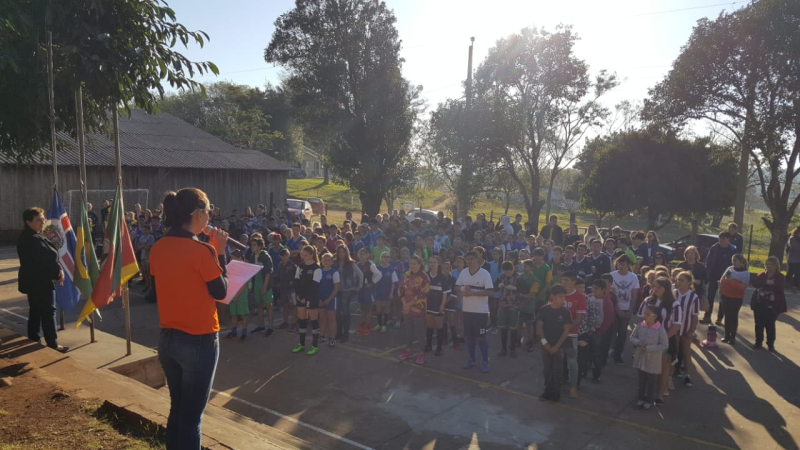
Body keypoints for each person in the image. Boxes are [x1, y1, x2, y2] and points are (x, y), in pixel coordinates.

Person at [149, 188, 229, 449]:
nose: (210, 216)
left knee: (178, 410)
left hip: (168, 337)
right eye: (208, 211)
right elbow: (220, 291)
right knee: (192, 418)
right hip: (199, 339)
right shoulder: (202, 251)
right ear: (196, 213)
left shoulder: (158, 247)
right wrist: (220, 252)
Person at [16, 207, 68, 353]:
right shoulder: (32, 238)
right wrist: (57, 273)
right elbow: (43, 260)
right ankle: (53, 344)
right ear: (28, 222)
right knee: (48, 312)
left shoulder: (35, 235)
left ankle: (34, 338)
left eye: (43, 219)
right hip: (40, 282)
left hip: (35, 281)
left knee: (36, 311)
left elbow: (48, 258)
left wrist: (58, 270)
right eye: (38, 219)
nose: (43, 221)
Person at [455, 251, 495, 373]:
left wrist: (474, 293)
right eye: (468, 259)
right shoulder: (464, 272)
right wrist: (463, 289)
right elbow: (457, 287)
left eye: (472, 259)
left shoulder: (484, 274)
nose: (469, 261)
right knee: (470, 337)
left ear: (477, 259)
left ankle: (485, 361)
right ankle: (472, 359)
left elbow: (490, 291)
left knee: (481, 338)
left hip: (480, 312)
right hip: (467, 310)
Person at [537, 284, 571, 402]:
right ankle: (547, 391)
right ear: (553, 297)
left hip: (558, 347)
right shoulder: (545, 309)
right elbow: (540, 327)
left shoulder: (565, 312)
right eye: (560, 297)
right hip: (545, 345)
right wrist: (544, 343)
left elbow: (566, 330)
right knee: (547, 369)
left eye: (564, 297)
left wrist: (557, 346)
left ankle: (556, 393)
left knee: (557, 369)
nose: (563, 299)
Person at [630, 306, 668, 411]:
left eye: (647, 314)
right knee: (641, 379)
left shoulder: (660, 329)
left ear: (655, 316)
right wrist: (638, 342)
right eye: (644, 313)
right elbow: (632, 337)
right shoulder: (640, 326)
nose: (644, 316)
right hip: (641, 358)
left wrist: (650, 348)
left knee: (651, 381)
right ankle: (640, 398)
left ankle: (649, 400)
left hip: (653, 360)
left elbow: (664, 345)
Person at [750, 256, 787, 352]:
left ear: (776, 266)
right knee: (758, 324)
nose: (769, 266)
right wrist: (766, 282)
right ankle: (758, 342)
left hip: (773, 305)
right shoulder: (762, 275)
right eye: (767, 264)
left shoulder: (780, 276)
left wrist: (764, 285)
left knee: (770, 324)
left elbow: (779, 287)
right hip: (759, 303)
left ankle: (770, 344)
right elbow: (755, 283)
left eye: (771, 265)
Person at [398, 255, 431, 364]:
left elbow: (423, 294)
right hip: (407, 309)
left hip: (419, 310)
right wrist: (405, 304)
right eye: (410, 263)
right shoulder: (406, 275)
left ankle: (421, 353)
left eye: (415, 264)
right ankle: (408, 350)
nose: (412, 266)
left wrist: (409, 305)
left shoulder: (424, 277)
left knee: (420, 332)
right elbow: (400, 290)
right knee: (408, 331)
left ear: (420, 264)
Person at [292, 245, 322, 355]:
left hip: (312, 297)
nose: (303, 257)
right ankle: (302, 344)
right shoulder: (300, 266)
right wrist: (299, 295)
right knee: (302, 320)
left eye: (305, 255)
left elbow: (314, 285)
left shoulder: (316, 268)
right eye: (302, 255)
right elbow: (296, 281)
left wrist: (306, 297)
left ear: (311, 255)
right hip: (301, 297)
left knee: (314, 320)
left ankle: (314, 345)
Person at [560, 271, 585, 399]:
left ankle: (573, 387)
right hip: (557, 335)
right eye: (562, 279)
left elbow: (578, 319)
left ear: (573, 282)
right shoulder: (556, 294)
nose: (563, 282)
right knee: (557, 360)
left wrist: (567, 329)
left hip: (571, 335)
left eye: (567, 280)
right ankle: (558, 383)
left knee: (572, 361)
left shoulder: (580, 297)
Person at [703, 231, 736, 325]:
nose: (721, 241)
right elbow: (708, 261)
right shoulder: (714, 248)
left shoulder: (732, 250)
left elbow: (733, 265)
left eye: (723, 239)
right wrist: (708, 273)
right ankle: (707, 315)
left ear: (728, 239)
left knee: (723, 297)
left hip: (725, 277)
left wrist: (728, 277)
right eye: (720, 239)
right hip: (713, 275)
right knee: (710, 296)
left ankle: (720, 317)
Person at [674, 271, 699, 387]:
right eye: (678, 280)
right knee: (673, 351)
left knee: (686, 352)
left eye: (682, 280)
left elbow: (695, 316)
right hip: (674, 328)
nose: (679, 282)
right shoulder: (674, 293)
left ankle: (687, 375)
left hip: (686, 329)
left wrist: (692, 330)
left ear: (689, 282)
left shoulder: (693, 297)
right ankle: (672, 372)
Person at [719, 254, 750, 345]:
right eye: (733, 260)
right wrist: (723, 285)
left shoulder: (745, 273)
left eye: (735, 261)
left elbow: (742, 287)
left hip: (736, 298)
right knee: (727, 316)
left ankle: (733, 336)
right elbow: (722, 280)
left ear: (741, 262)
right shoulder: (730, 269)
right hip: (726, 295)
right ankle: (726, 335)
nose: (733, 263)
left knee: (733, 316)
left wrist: (731, 281)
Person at [335, 245, 363, 343]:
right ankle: (339, 333)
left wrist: (359, 286)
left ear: (346, 252)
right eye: (339, 252)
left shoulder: (350, 264)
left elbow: (360, 274)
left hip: (347, 290)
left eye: (343, 252)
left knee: (345, 312)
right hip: (337, 290)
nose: (341, 254)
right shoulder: (335, 263)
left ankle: (345, 334)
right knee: (338, 313)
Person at [248, 237, 275, 337]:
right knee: (259, 305)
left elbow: (268, 272)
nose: (252, 247)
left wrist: (265, 287)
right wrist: (251, 285)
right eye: (252, 245)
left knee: (268, 305)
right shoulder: (252, 256)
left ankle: (271, 327)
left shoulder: (265, 256)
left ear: (260, 246)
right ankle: (261, 325)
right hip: (256, 283)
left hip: (265, 283)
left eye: (254, 245)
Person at [425, 256, 451, 358]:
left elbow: (445, 293)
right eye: (430, 262)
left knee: (439, 327)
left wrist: (442, 305)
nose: (432, 264)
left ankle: (439, 347)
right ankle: (429, 345)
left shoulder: (443, 277)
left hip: (438, 305)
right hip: (428, 305)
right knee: (429, 326)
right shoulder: (426, 275)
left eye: (434, 262)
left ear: (438, 264)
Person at [494, 261, 521, 358]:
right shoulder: (501, 277)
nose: (508, 273)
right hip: (503, 306)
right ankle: (503, 348)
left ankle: (513, 349)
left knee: (513, 328)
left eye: (510, 271)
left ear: (513, 268)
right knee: (503, 328)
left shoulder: (518, 277)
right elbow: (494, 287)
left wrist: (515, 288)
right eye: (506, 271)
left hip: (514, 306)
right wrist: (498, 286)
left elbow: (525, 289)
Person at [356, 248, 382, 334]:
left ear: (367, 255)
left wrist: (371, 283)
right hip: (361, 289)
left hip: (368, 290)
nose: (362, 255)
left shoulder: (371, 265)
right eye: (361, 254)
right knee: (362, 308)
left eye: (364, 254)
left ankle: (368, 326)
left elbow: (379, 274)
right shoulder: (357, 265)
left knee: (369, 308)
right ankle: (362, 325)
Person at [317, 253, 340, 347]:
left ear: (332, 262)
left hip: (331, 299)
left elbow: (336, 288)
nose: (326, 262)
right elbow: (316, 286)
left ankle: (332, 338)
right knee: (322, 318)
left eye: (328, 260)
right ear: (321, 261)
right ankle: (321, 336)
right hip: (321, 299)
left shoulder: (334, 272)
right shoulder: (319, 271)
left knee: (332, 319)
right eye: (324, 260)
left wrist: (328, 299)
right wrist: (319, 299)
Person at [785, 227, 800, 291]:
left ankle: (796, 286)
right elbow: (795, 247)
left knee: (798, 273)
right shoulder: (792, 238)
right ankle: (785, 284)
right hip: (792, 259)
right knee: (790, 272)